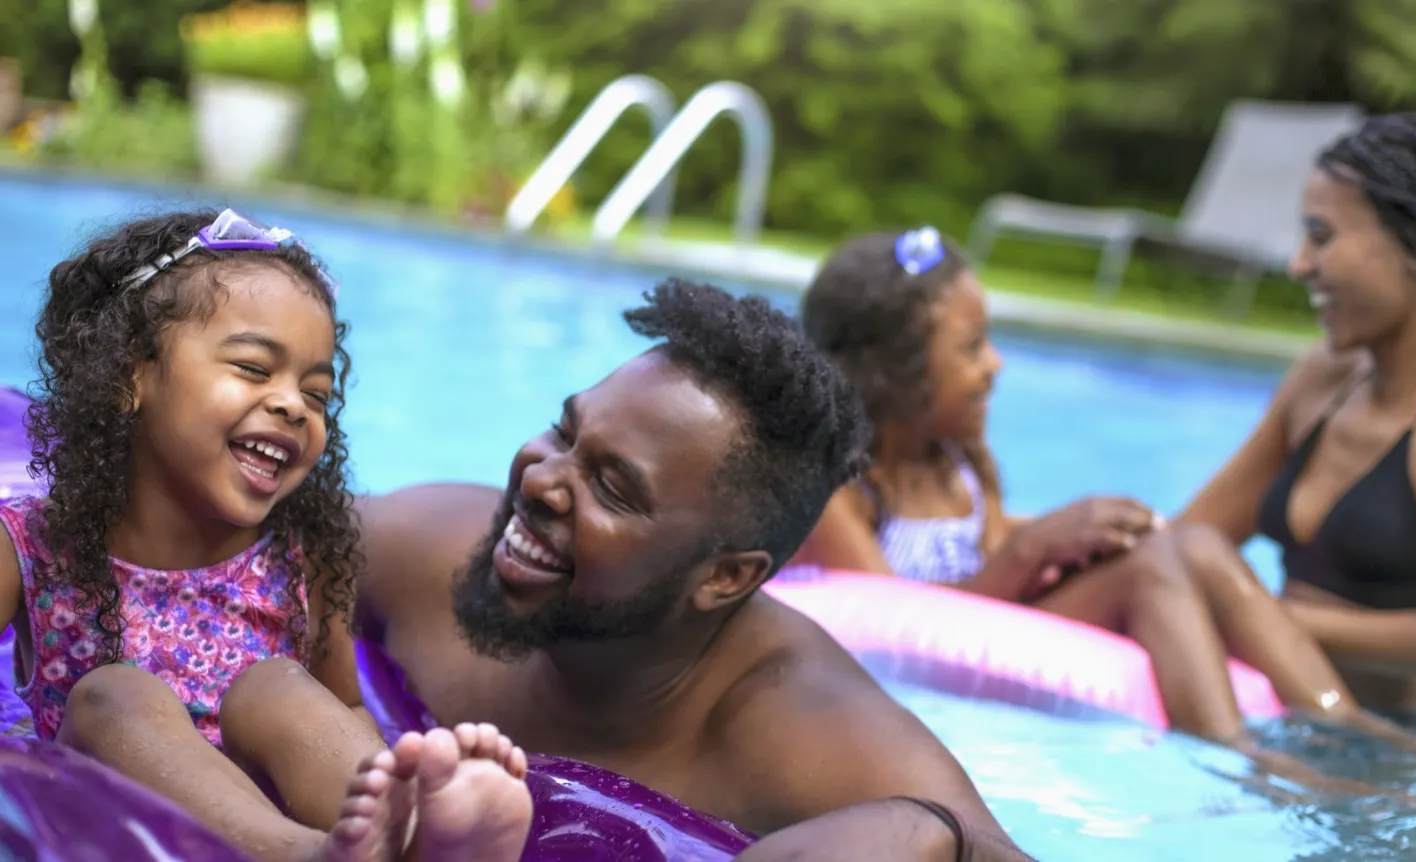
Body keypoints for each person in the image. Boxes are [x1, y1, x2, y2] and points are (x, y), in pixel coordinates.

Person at [355, 279, 1036, 861]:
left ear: (726, 578)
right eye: (564, 433)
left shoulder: (796, 732)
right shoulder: (425, 554)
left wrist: (928, 833)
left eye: (614, 488)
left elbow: (979, 844)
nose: (541, 482)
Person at [0, 209, 533, 862]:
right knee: (115, 694)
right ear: (127, 376)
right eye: (254, 369)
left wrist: (378, 768)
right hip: (126, 818)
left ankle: (417, 834)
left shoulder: (303, 559)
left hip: (282, 803)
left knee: (277, 685)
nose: (292, 405)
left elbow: (343, 708)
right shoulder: (30, 546)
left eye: (316, 393)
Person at [1042, 113, 1416, 750]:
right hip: (1284, 718)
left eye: (1321, 236)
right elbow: (1189, 537)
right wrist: (1045, 541)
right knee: (1196, 553)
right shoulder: (1325, 377)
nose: (1298, 265)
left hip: (1407, 752)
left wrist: (1265, 615)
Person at [783, 226, 1162, 602]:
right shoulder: (839, 491)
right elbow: (885, 616)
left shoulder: (966, 465)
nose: (995, 363)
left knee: (1182, 552)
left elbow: (1009, 600)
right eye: (973, 346)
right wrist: (1028, 550)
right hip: (894, 659)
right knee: (1147, 573)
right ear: (896, 372)